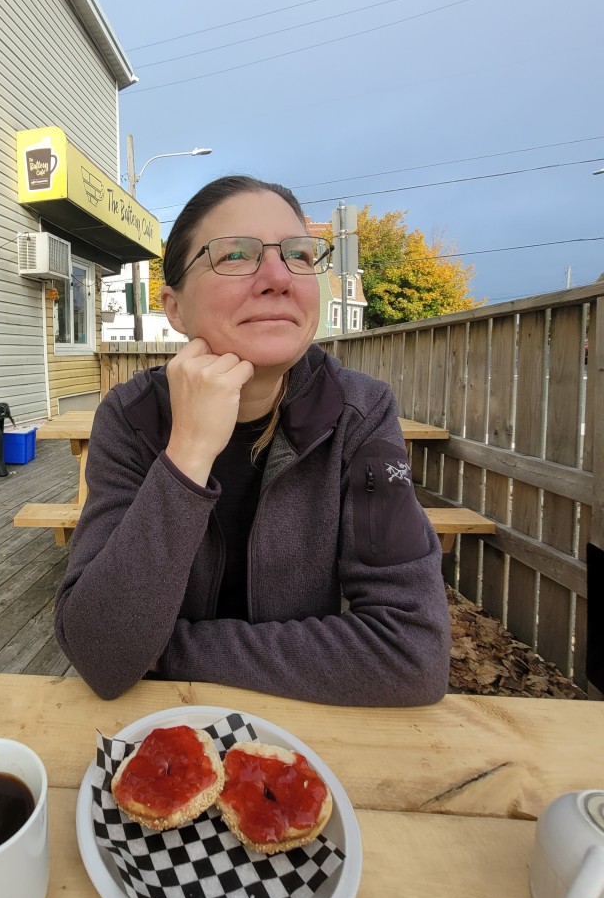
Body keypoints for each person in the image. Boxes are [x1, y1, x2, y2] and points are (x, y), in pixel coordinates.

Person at [54, 175, 451, 706]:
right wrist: (188, 452)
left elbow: (412, 654)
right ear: (174, 308)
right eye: (235, 255)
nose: (278, 277)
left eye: (299, 255)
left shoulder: (357, 412)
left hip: (300, 739)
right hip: (157, 731)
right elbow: (102, 653)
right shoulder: (132, 418)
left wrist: (168, 652)